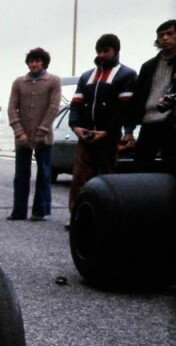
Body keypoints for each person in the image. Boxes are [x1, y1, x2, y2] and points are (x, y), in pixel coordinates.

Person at [67, 34, 137, 226]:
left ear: (115, 51)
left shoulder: (127, 75)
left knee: (106, 178)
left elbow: (126, 108)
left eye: (106, 51)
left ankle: (105, 218)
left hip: (109, 137)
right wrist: (75, 126)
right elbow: (76, 105)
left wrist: (110, 131)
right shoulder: (86, 76)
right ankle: (76, 216)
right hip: (86, 136)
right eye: (99, 51)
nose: (102, 55)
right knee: (80, 178)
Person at [6, 47, 61, 221]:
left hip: (44, 137)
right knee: (21, 175)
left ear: (44, 62)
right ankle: (18, 211)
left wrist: (42, 130)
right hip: (22, 137)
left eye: (37, 61)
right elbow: (11, 108)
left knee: (44, 174)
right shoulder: (18, 82)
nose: (34, 64)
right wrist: (19, 132)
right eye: (31, 61)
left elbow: (53, 108)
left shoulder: (53, 81)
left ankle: (40, 211)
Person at [127, 19, 176, 174]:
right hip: (149, 122)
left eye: (170, 33)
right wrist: (129, 130)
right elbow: (137, 98)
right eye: (161, 35)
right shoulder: (148, 66)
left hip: (171, 123)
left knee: (171, 168)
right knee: (140, 168)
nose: (165, 38)